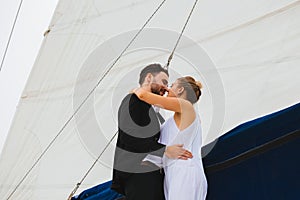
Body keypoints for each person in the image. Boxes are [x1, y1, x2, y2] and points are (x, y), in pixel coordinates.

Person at [111, 64, 193, 200]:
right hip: (141, 174)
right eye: (164, 81)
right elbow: (130, 139)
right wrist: (165, 150)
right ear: (149, 78)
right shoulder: (133, 100)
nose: (166, 88)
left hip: (154, 176)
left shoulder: (157, 114)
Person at [133, 76, 208, 200]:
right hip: (173, 173)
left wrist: (136, 90)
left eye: (171, 85)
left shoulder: (186, 107)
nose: (167, 89)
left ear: (180, 89)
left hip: (184, 172)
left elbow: (142, 95)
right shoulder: (175, 119)